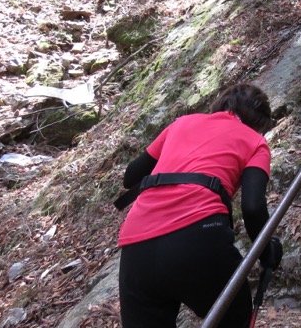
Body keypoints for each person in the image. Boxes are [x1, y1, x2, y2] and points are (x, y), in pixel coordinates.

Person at [116, 83, 282, 328]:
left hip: (136, 246)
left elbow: (131, 175)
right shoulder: (255, 142)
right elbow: (253, 206)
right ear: (259, 123)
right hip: (196, 238)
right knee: (234, 319)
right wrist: (268, 252)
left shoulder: (182, 123)